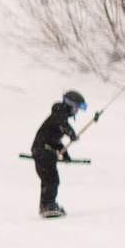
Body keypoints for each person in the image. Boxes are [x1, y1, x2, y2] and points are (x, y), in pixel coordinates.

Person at [29, 90, 84, 219]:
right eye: (76, 108)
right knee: (51, 179)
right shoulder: (59, 113)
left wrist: (64, 154)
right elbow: (62, 125)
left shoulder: (59, 117)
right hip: (43, 151)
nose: (77, 111)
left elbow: (55, 140)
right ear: (70, 105)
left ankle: (46, 205)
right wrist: (71, 134)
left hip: (45, 150)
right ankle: (48, 206)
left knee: (51, 179)